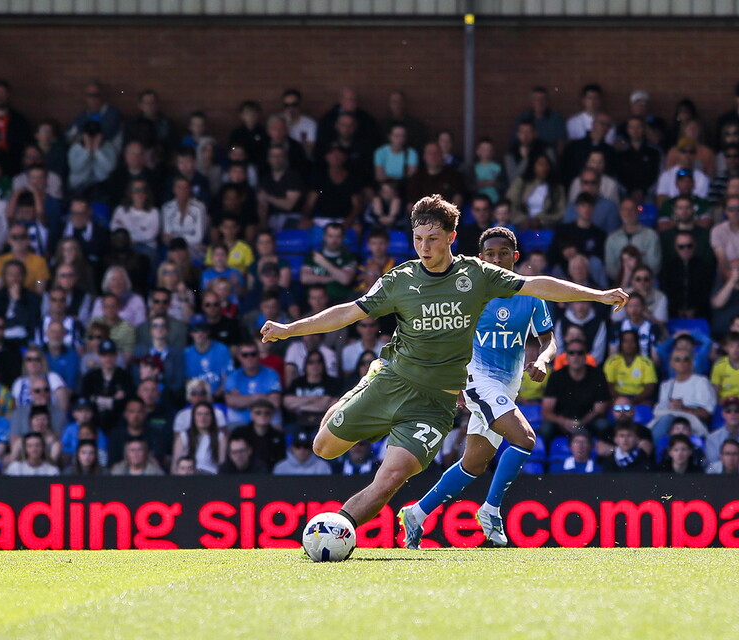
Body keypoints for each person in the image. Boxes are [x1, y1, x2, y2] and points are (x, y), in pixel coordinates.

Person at [260, 195, 628, 534]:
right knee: (323, 448)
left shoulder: (477, 275)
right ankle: (362, 386)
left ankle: (336, 533)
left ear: (452, 237)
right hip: (391, 380)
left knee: (391, 478)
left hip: (435, 402)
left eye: (433, 238)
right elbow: (349, 312)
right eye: (418, 239)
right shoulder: (400, 279)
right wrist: (291, 329)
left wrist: (597, 295)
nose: (424, 247)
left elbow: (538, 285)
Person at [403, 227, 556, 547]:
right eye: (490, 254)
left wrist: (542, 359)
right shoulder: (470, 293)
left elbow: (548, 339)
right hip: (476, 379)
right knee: (525, 439)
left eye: (503, 253)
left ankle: (417, 513)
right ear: (480, 258)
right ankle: (491, 509)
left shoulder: (531, 295)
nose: (497, 259)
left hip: (507, 385)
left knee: (473, 463)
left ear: (515, 257)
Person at [541, 339, 610, 440]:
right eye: (571, 353)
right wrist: (564, 422)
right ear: (566, 356)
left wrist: (581, 423)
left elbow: (600, 409)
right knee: (545, 429)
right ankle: (540, 456)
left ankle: (602, 454)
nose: (576, 357)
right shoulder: (556, 376)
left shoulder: (597, 375)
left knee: (603, 425)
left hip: (588, 421)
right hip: (562, 423)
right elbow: (546, 411)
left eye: (580, 353)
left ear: (585, 356)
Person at [651, 348, 715, 439]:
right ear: (672, 363)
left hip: (692, 425)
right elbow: (659, 411)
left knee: (667, 419)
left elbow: (707, 413)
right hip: (668, 424)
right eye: (677, 360)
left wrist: (683, 408)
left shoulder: (701, 382)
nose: (682, 363)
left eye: (686, 359)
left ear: (691, 363)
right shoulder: (666, 385)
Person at [704, 397, 739, 469]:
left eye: (737, 410)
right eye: (728, 411)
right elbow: (711, 466)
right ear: (723, 414)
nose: (733, 413)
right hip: (718, 478)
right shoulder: (712, 438)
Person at [603, 329, 657, 405]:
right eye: (625, 341)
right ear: (621, 343)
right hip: (617, 397)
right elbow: (608, 385)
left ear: (637, 343)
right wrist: (622, 400)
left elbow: (649, 387)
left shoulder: (646, 362)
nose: (629, 344)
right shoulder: (612, 361)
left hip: (639, 398)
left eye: (632, 341)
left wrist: (633, 401)